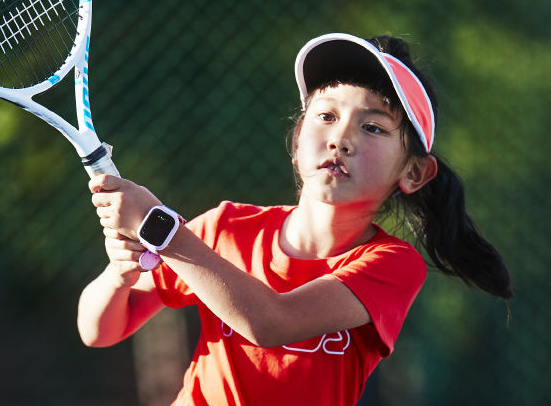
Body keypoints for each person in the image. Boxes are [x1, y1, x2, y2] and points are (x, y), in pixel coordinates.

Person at [78, 33, 512, 406]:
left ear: (414, 173)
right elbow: (98, 331)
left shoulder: (392, 266)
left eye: (374, 128)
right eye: (326, 116)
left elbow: (271, 323)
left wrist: (159, 229)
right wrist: (119, 274)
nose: (341, 138)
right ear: (297, 140)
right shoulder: (223, 229)